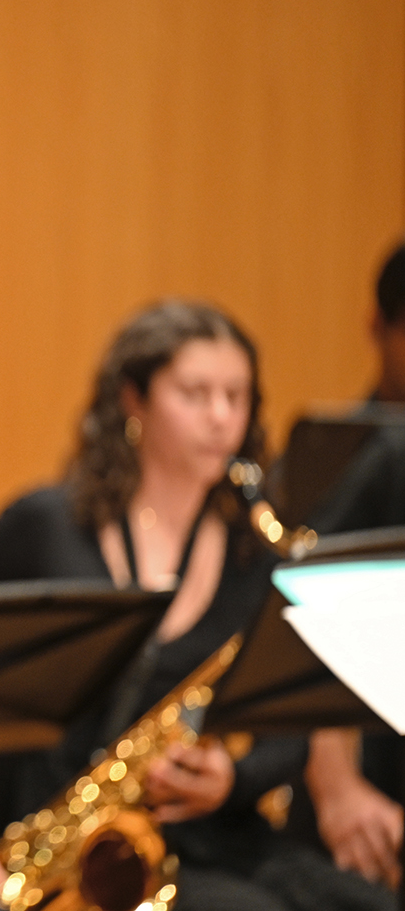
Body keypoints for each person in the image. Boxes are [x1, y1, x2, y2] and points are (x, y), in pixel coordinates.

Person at [0, 301, 388, 911]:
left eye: (236, 396)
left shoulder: (257, 554)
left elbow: (286, 729)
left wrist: (232, 779)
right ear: (133, 399)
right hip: (61, 853)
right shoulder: (42, 527)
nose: (222, 418)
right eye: (195, 394)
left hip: (212, 839)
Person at [287, 240, 405, 895]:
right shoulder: (363, 458)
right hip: (371, 769)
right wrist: (337, 785)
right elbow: (310, 616)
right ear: (377, 328)